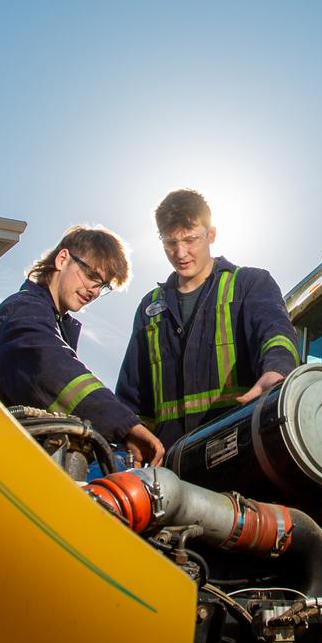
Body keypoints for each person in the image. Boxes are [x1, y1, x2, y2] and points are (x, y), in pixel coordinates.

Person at [116, 188, 301, 448]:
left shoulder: (250, 284)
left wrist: (277, 370)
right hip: (171, 461)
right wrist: (129, 432)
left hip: (240, 446)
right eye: (170, 243)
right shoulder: (150, 307)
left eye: (190, 240)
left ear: (211, 234)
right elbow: (133, 389)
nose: (180, 253)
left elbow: (275, 332)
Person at [0, 225, 164, 467]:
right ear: (62, 258)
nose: (94, 291)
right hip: (1, 464)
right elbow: (48, 366)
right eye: (91, 275)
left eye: (102, 285)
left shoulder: (53, 323)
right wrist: (124, 425)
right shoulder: (23, 310)